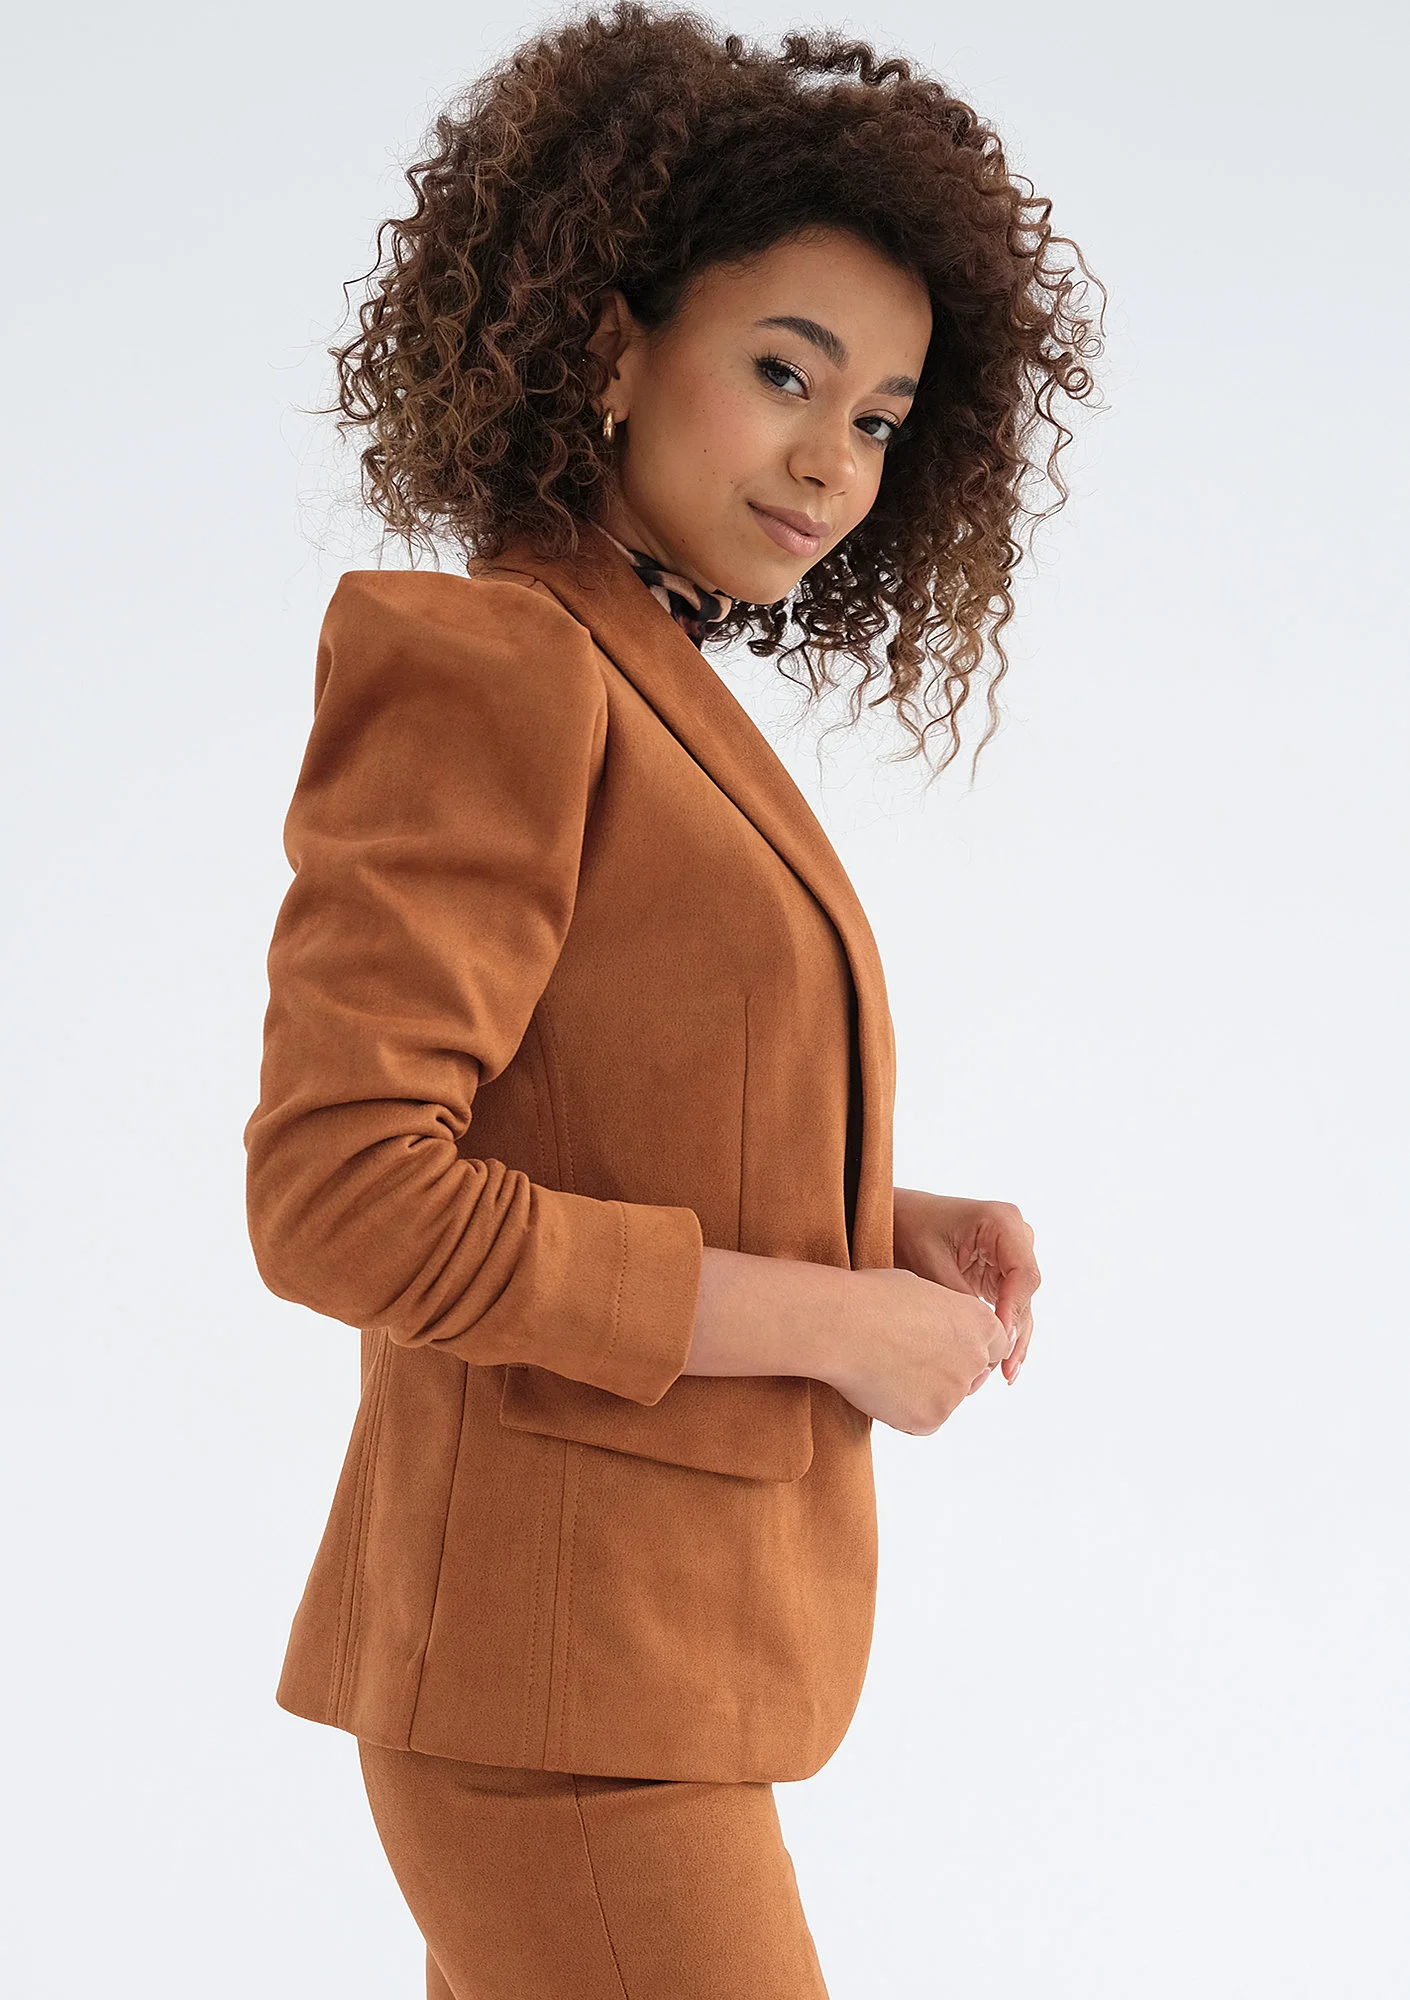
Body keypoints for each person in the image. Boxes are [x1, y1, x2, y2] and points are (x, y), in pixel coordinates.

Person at [244, 5, 1102, 1993]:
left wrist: (873, 1221)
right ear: (613, 347)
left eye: (879, 417)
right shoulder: (498, 663)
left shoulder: (637, 674)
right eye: (784, 371)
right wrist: (834, 1324)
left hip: (636, 1676)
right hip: (565, 1705)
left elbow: (581, 1113)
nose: (830, 460)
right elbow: (344, 1197)